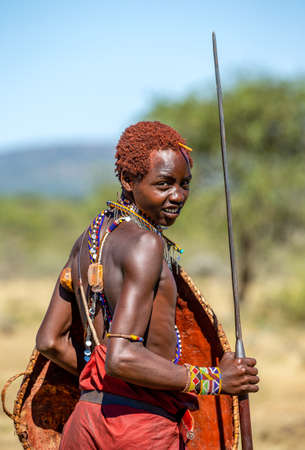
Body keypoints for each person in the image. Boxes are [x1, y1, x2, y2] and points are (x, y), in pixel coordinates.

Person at [36, 121, 259, 449]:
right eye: (165, 183)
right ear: (128, 180)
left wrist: (107, 385)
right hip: (139, 429)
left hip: (85, 422)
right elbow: (121, 357)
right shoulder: (146, 244)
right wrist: (215, 380)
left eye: (185, 184)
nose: (178, 195)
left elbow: (50, 341)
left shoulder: (88, 240)